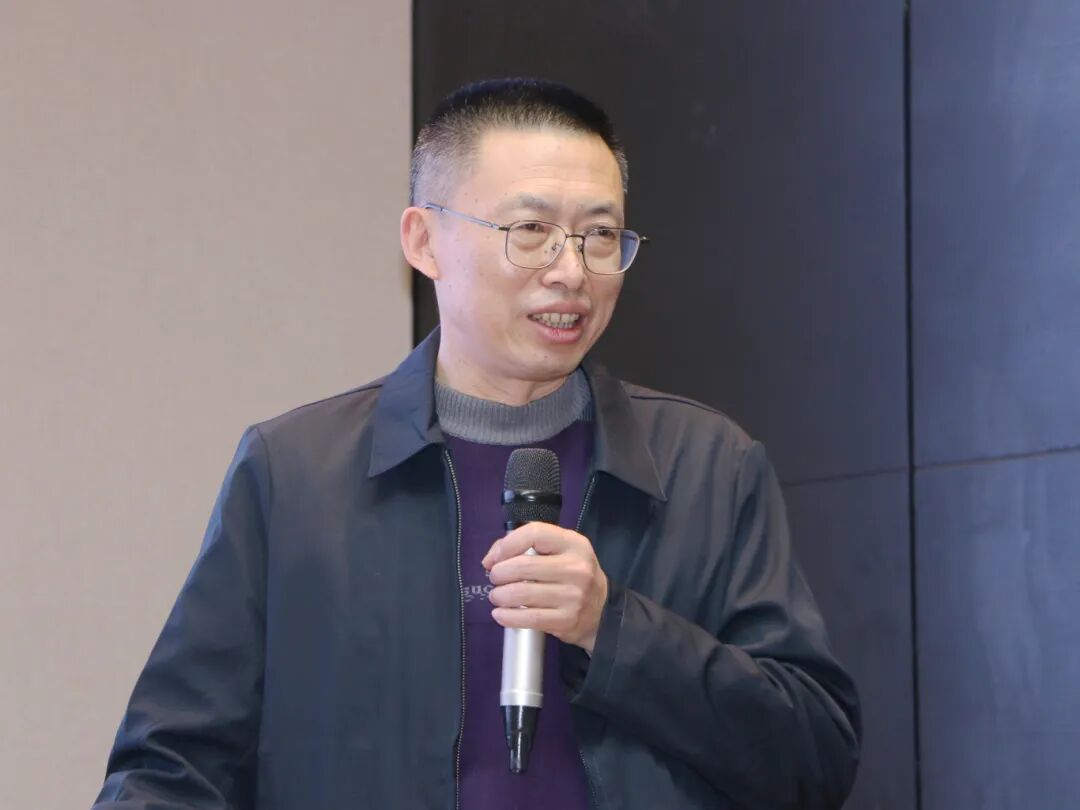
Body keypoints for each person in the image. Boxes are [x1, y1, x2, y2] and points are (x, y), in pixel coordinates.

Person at [94, 78, 860, 810]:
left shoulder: (708, 467)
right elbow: (174, 768)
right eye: (531, 232)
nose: (572, 272)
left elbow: (814, 759)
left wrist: (614, 628)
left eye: (600, 236)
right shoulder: (295, 475)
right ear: (423, 240)